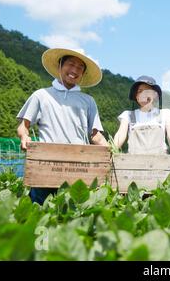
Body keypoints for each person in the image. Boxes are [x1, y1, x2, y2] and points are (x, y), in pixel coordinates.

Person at [17, 48, 108, 205]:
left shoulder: (88, 101)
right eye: (70, 64)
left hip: (79, 166)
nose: (74, 70)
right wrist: (24, 137)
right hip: (46, 165)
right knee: (40, 211)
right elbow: (23, 126)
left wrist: (109, 150)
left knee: (75, 214)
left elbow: (95, 135)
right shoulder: (41, 95)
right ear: (60, 66)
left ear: (83, 74)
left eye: (80, 68)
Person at [113, 76, 170, 155]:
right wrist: (114, 149)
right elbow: (120, 134)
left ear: (155, 95)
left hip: (161, 162)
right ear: (136, 97)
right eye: (140, 91)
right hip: (133, 163)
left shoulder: (165, 114)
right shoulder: (128, 115)